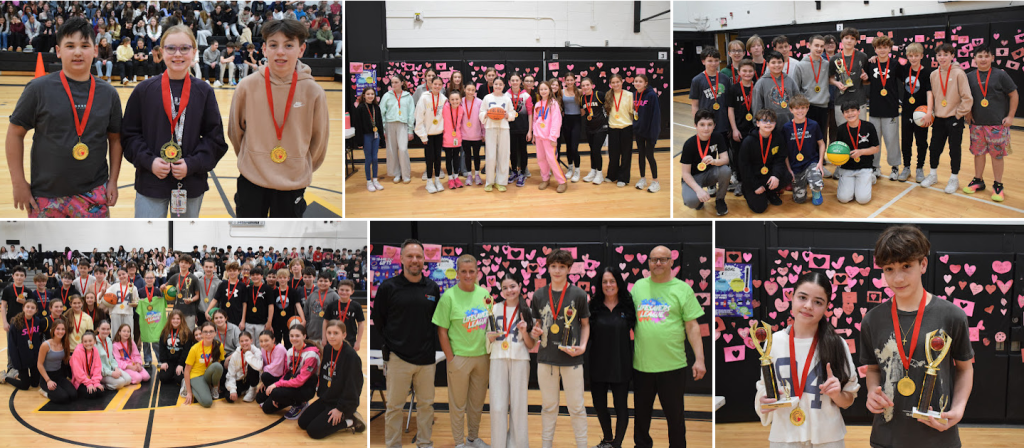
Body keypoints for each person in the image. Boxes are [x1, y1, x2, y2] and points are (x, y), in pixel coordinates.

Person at [861, 225, 974, 447]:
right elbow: (873, 369)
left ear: (923, 264)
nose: (898, 278)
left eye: (906, 266)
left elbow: (965, 368)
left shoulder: (952, 316)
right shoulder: (872, 320)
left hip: (938, 435)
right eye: (889, 269)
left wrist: (958, 410)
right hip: (887, 436)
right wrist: (871, 392)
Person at [7, 17, 122, 218]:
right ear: (58, 51)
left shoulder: (109, 94)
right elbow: (15, 134)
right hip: (45, 195)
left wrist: (113, 181)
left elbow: (115, 139)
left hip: (94, 193)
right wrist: (18, 183)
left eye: (84, 45)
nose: (77, 52)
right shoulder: (37, 89)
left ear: (95, 51)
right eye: (70, 46)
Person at [122, 25, 228, 218]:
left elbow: (215, 139)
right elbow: (129, 136)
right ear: (162, 51)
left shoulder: (204, 92)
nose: (177, 54)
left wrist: (192, 164)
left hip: (191, 182)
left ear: (194, 52)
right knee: (149, 240)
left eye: (184, 48)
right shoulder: (143, 90)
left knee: (185, 243)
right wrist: (150, 161)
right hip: (151, 181)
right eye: (171, 48)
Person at [228, 18, 329, 218]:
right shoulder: (246, 86)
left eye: (289, 45)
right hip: (252, 178)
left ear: (301, 50)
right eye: (273, 45)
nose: (280, 52)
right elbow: (235, 133)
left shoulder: (314, 91)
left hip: (293, 180)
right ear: (264, 49)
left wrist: (298, 162)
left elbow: (319, 142)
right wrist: (254, 157)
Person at [755, 272, 859, 446]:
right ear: (791, 297)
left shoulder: (837, 344)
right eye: (802, 297)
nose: (808, 306)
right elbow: (763, 392)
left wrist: (837, 394)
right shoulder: (774, 342)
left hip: (827, 437)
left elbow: (848, 399)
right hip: (785, 436)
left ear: (827, 307)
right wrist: (765, 401)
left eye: (818, 302)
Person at [631, 246, 705, 448]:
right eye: (654, 259)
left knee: (675, 419)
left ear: (671, 262)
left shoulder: (682, 289)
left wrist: (700, 359)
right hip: (642, 366)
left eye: (663, 259)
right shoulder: (637, 287)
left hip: (673, 367)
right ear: (648, 262)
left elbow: (692, 327)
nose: (658, 263)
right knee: (641, 418)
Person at [371, 239, 441, 448]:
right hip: (398, 358)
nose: (414, 260)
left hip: (427, 359)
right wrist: (395, 344)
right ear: (401, 259)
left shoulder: (432, 288)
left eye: (418, 256)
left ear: (424, 260)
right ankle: (393, 445)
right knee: (394, 407)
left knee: (427, 405)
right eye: (410, 256)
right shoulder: (388, 287)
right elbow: (380, 320)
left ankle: (424, 443)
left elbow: (436, 321)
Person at [525, 249, 591, 448]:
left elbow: (586, 324)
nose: (557, 271)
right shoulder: (538, 294)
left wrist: (583, 346)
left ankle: (582, 445)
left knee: (577, 408)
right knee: (548, 407)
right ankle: (546, 445)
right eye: (553, 266)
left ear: (569, 269)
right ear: (548, 267)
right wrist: (535, 332)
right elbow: (538, 325)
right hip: (546, 359)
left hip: (572, 359)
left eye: (562, 267)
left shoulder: (579, 294)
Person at [432, 255, 491, 448]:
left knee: (477, 402)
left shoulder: (485, 294)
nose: (468, 275)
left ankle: (473, 438)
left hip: (482, 357)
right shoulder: (449, 296)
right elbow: (442, 330)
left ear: (477, 272)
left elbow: (491, 325)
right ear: (457, 273)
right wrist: (451, 358)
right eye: (463, 271)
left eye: (471, 271)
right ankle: (459, 443)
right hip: (459, 358)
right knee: (458, 404)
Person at [588, 268, 636, 448]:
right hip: (597, 365)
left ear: (618, 283)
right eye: (604, 282)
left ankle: (617, 443)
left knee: (621, 407)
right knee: (599, 406)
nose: (608, 285)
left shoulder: (628, 307)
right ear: (600, 285)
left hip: (620, 365)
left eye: (612, 281)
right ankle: (607, 439)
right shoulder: (593, 307)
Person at [964, 44, 1019, 201]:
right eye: (980, 56)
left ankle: (998, 184)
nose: (983, 59)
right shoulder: (969, 76)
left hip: (997, 125)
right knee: (978, 154)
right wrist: (967, 111)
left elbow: (1014, 94)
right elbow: (966, 96)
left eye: (986, 56)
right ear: (974, 58)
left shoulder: (1000, 75)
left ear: (993, 58)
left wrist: (1010, 116)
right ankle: (978, 180)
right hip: (977, 124)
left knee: (997, 156)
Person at [485, 275, 533, 448]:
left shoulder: (527, 310)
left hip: (520, 359)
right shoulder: (494, 308)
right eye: (505, 288)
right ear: (501, 290)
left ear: (520, 286)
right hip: (498, 358)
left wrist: (525, 331)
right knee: (497, 406)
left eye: (512, 286)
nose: (509, 291)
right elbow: (487, 339)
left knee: (519, 406)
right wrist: (490, 338)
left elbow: (530, 344)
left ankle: (518, 444)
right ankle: (498, 444)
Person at [300, 320, 365, 438]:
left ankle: (350, 421)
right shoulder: (329, 349)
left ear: (344, 335)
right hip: (328, 398)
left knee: (314, 431)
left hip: (343, 403)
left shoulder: (351, 356)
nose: (331, 336)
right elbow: (325, 376)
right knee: (302, 422)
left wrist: (340, 409)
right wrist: (321, 395)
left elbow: (353, 386)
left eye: (336, 333)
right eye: (329, 333)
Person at [864, 36, 904, 181]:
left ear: (889, 49)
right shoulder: (871, 63)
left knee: (892, 139)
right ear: (875, 49)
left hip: (891, 108)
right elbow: (866, 80)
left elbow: (905, 78)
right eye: (879, 47)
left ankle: (894, 167)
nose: (882, 50)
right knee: (875, 140)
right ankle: (875, 167)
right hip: (874, 108)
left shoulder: (895, 64)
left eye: (885, 47)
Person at [261, 325, 321, 419]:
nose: (294, 338)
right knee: (267, 408)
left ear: (304, 336)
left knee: (275, 392)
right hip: (293, 384)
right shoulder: (290, 351)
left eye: (297, 336)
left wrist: (276, 385)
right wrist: (277, 386)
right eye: (291, 336)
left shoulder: (311, 355)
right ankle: (292, 401)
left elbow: (300, 381)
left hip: (305, 387)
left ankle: (301, 404)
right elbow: (286, 374)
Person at [739, 109, 790, 213]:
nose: (768, 124)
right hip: (753, 178)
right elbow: (744, 167)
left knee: (787, 176)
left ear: (775, 123)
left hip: (768, 175)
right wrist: (755, 185)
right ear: (757, 123)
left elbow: (780, 159)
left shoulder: (778, 137)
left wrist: (775, 175)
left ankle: (771, 192)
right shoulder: (748, 141)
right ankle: (747, 190)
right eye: (764, 121)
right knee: (759, 208)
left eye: (771, 121)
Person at [680, 109, 731, 215]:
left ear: (714, 125)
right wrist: (699, 190)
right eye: (702, 124)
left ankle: (720, 199)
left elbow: (725, 159)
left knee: (726, 170)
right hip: (693, 178)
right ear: (695, 125)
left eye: (709, 124)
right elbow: (685, 173)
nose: (706, 128)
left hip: (710, 174)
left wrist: (714, 161)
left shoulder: (717, 137)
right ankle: (698, 201)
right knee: (691, 202)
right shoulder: (689, 144)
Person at [835, 99, 880, 205]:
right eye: (847, 112)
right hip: (847, 167)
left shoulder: (869, 127)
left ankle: (870, 177)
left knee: (863, 200)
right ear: (843, 114)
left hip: (864, 167)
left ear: (859, 111)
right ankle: (854, 182)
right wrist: (836, 159)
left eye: (853, 110)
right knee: (843, 199)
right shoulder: (841, 129)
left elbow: (876, 148)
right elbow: (838, 150)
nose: (850, 114)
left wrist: (861, 152)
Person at [783, 95, 826, 206]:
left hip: (811, 163)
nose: (800, 111)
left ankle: (816, 191)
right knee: (799, 200)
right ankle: (805, 181)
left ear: (807, 108)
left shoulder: (813, 125)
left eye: (803, 108)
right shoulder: (786, 128)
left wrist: (820, 162)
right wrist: (789, 169)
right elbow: (785, 151)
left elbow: (821, 144)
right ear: (791, 110)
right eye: (797, 108)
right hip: (795, 166)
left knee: (817, 184)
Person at [829, 27, 870, 144]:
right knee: (842, 131)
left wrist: (866, 77)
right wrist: (837, 83)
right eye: (846, 38)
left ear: (856, 41)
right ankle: (843, 159)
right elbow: (830, 78)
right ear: (841, 40)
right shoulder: (835, 58)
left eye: (852, 38)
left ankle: (860, 158)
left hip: (859, 99)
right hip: (840, 99)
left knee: (861, 131)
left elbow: (867, 80)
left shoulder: (862, 56)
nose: (849, 41)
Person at [901, 43, 934, 184]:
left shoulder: (927, 73)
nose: (913, 58)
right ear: (907, 56)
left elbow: (930, 93)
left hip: (922, 114)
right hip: (907, 113)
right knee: (906, 141)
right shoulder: (904, 70)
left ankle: (919, 168)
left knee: (921, 142)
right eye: (910, 56)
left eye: (916, 55)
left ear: (922, 56)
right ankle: (906, 167)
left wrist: (929, 112)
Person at [792, 35, 831, 148]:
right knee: (807, 134)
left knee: (822, 134)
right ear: (809, 46)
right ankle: (809, 159)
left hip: (823, 105)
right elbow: (796, 87)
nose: (819, 49)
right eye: (816, 45)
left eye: (822, 46)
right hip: (807, 106)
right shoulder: (800, 65)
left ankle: (820, 159)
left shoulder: (827, 64)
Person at [690, 48, 732, 147]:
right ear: (703, 61)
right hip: (706, 125)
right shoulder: (697, 80)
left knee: (724, 153)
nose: (713, 63)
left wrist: (730, 125)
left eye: (716, 60)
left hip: (723, 123)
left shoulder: (725, 79)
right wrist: (698, 123)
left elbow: (729, 104)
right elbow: (695, 105)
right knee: (707, 154)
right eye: (710, 60)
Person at [480, 76, 516, 192]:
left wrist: (507, 116)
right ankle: (489, 182)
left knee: (504, 155)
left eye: (500, 84)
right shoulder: (487, 98)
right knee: (490, 156)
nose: (498, 86)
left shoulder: (507, 99)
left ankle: (501, 181)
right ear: (493, 85)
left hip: (504, 128)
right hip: (490, 128)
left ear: (504, 86)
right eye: (496, 84)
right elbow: (481, 112)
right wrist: (486, 114)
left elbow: (512, 113)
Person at [381, 74, 416, 184]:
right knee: (391, 150)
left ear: (402, 83)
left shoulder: (408, 96)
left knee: (403, 149)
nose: (394, 84)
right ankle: (396, 173)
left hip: (403, 125)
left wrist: (410, 130)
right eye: (392, 82)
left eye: (396, 82)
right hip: (389, 124)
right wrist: (383, 129)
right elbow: (382, 112)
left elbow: (411, 114)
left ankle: (406, 174)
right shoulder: (387, 96)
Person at [1, 299, 43, 389]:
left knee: (35, 384)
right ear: (23, 308)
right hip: (21, 357)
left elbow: (39, 338)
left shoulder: (37, 321)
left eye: (32, 308)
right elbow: (12, 344)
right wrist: (15, 361)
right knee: (25, 386)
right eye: (27, 307)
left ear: (36, 310)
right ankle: (5, 377)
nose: (30, 309)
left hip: (34, 356)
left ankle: (20, 376)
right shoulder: (16, 322)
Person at [184, 321, 226, 408]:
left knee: (218, 366)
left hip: (208, 375)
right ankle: (191, 386)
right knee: (207, 402)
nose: (208, 334)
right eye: (205, 332)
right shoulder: (194, 348)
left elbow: (218, 367)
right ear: (202, 334)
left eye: (211, 331)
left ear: (215, 333)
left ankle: (212, 388)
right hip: (196, 376)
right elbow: (187, 371)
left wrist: (216, 386)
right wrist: (189, 392)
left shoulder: (219, 345)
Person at [533, 79, 565, 193]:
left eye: (545, 89)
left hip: (549, 138)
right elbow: (535, 120)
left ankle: (562, 181)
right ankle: (545, 179)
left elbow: (557, 121)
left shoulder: (553, 103)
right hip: (539, 137)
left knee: (552, 160)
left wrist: (553, 137)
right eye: (541, 89)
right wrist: (534, 134)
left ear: (549, 90)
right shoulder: (537, 104)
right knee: (541, 159)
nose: (543, 91)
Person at [632, 75, 662, 193]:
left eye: (640, 81)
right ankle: (642, 178)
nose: (638, 83)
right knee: (641, 155)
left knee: (649, 155)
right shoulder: (634, 95)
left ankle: (655, 181)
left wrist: (653, 133)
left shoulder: (651, 95)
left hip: (649, 131)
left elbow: (655, 115)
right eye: (636, 81)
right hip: (639, 131)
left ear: (645, 83)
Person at [605, 74, 634, 187]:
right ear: (610, 84)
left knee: (626, 154)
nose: (615, 84)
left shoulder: (629, 95)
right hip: (613, 128)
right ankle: (612, 175)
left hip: (626, 127)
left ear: (622, 82)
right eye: (613, 82)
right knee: (613, 154)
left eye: (618, 82)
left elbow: (632, 112)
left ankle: (623, 178)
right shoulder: (608, 95)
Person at [753, 51, 797, 124]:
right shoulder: (761, 83)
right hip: (769, 124)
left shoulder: (790, 81)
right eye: (773, 62)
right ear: (768, 64)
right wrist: (757, 122)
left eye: (779, 62)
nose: (777, 65)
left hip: (789, 122)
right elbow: (757, 105)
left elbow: (797, 101)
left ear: (783, 64)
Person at [506, 73, 534, 187]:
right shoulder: (506, 95)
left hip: (523, 129)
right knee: (512, 151)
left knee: (523, 151)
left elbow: (530, 114)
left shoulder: (526, 96)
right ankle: (514, 172)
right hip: (510, 129)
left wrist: (530, 131)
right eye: (513, 80)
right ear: (509, 82)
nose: (515, 82)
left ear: (520, 82)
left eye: (517, 80)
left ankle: (522, 173)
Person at [354, 88, 384, 192]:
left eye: (372, 94)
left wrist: (382, 138)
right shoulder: (361, 108)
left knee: (375, 158)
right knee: (369, 159)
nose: (370, 96)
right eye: (368, 94)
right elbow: (358, 125)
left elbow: (380, 123)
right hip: (366, 136)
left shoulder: (376, 107)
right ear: (364, 95)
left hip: (375, 136)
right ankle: (369, 181)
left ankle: (375, 180)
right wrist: (360, 142)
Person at [580, 77, 609, 185]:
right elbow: (583, 112)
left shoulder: (599, 95)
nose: (585, 87)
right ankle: (593, 170)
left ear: (592, 85)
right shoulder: (582, 98)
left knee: (596, 150)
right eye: (583, 85)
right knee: (592, 150)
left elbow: (608, 105)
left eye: (587, 85)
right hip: (589, 127)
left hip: (601, 127)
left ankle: (600, 173)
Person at [323, 280, 363, 351]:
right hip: (333, 338)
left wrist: (358, 342)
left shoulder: (356, 306)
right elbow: (325, 321)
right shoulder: (332, 305)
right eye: (342, 290)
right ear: (338, 290)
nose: (344, 292)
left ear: (352, 292)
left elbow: (361, 324)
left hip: (350, 339)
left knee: (348, 361)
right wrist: (324, 338)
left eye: (347, 290)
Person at [137, 271, 167, 367]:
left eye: (151, 278)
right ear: (144, 279)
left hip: (155, 320)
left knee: (156, 341)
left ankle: (159, 359)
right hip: (145, 320)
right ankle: (147, 360)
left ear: (154, 279)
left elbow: (163, 303)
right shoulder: (140, 291)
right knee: (145, 341)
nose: (149, 280)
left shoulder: (158, 291)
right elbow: (137, 304)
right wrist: (139, 301)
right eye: (147, 278)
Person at [225, 330, 263, 403]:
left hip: (251, 379)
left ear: (251, 340)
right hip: (240, 380)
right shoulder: (235, 355)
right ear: (239, 342)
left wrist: (248, 354)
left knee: (252, 366)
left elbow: (259, 367)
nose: (244, 343)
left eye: (246, 340)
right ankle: (244, 390)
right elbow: (231, 374)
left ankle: (252, 389)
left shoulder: (257, 352)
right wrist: (233, 390)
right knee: (229, 397)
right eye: (242, 341)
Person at [559, 72, 583, 182]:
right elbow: (559, 104)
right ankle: (570, 168)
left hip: (577, 120)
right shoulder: (562, 92)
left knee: (574, 147)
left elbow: (585, 103)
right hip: (566, 120)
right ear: (564, 81)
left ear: (575, 81)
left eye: (571, 80)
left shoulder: (579, 92)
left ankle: (577, 170)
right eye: (567, 80)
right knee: (568, 146)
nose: (569, 82)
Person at [158, 310, 193, 385]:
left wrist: (181, 364)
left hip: (180, 361)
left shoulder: (187, 332)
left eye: (178, 319)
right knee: (163, 378)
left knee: (179, 379)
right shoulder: (165, 331)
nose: (175, 321)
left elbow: (186, 351)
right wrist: (163, 361)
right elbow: (162, 347)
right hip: (169, 361)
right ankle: (172, 372)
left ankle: (175, 372)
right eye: (173, 319)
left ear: (182, 320)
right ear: (170, 319)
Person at [94, 320, 131, 390]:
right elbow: (96, 365)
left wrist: (116, 368)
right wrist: (111, 373)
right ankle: (104, 384)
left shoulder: (108, 340)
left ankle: (112, 381)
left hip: (111, 368)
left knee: (128, 379)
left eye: (108, 329)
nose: (106, 331)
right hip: (101, 372)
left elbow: (111, 358)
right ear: (98, 329)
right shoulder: (94, 342)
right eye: (103, 329)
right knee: (120, 382)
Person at [441, 89, 466, 190]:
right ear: (449, 100)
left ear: (460, 99)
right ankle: (450, 178)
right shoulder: (445, 108)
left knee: (456, 158)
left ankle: (456, 177)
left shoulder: (461, 109)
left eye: (457, 99)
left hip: (457, 138)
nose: (455, 101)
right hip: (447, 138)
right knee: (448, 158)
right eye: (452, 99)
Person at [102, 267, 139, 336]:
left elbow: (137, 301)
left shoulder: (133, 287)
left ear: (127, 274)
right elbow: (105, 298)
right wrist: (102, 292)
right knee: (115, 334)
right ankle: (115, 347)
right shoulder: (114, 287)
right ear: (117, 276)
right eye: (119, 275)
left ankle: (128, 347)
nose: (121, 276)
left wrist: (134, 303)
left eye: (123, 274)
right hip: (115, 313)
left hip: (128, 313)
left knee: (128, 334)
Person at [69, 330, 105, 400]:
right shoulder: (78, 351)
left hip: (91, 379)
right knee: (91, 394)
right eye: (85, 341)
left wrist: (96, 382)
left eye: (90, 341)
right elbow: (78, 372)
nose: (88, 343)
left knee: (100, 392)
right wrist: (88, 383)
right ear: (82, 342)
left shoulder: (95, 350)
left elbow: (97, 367)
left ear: (94, 341)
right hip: (80, 381)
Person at [461, 83, 485, 186]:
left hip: (477, 134)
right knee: (467, 155)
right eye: (468, 89)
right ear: (464, 89)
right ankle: (469, 175)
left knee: (476, 155)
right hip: (464, 135)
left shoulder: (479, 102)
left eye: (472, 90)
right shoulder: (460, 101)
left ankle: (477, 175)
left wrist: (483, 132)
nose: (470, 92)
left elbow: (482, 119)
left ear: (475, 91)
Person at [256, 330, 288, 405]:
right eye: (261, 341)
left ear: (273, 340)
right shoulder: (263, 349)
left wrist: (262, 372)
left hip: (281, 378)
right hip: (271, 377)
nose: (263, 343)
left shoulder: (280, 348)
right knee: (258, 399)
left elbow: (276, 369)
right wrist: (263, 382)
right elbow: (264, 366)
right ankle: (270, 393)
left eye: (266, 340)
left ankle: (274, 394)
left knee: (265, 375)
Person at [210, 262, 246, 326]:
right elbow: (215, 299)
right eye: (230, 271)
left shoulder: (242, 286)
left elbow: (244, 304)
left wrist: (243, 320)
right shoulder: (223, 284)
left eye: (234, 270)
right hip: (224, 316)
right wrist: (207, 311)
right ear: (227, 272)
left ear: (239, 271)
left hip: (238, 316)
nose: (232, 273)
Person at [305, 272, 337, 345]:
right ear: (317, 281)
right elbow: (306, 312)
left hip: (329, 335)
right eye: (321, 281)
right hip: (312, 333)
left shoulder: (334, 296)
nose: (323, 283)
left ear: (330, 283)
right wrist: (308, 325)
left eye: (326, 281)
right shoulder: (312, 295)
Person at [239, 267, 271, 337]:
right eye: (253, 275)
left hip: (262, 323)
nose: (255, 277)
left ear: (262, 276)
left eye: (257, 274)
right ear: (250, 276)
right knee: (250, 345)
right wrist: (243, 321)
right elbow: (245, 305)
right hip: (249, 322)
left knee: (261, 344)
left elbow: (271, 306)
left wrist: (269, 322)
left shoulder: (267, 288)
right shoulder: (248, 289)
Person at [197, 258, 221, 326]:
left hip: (213, 313)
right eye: (206, 267)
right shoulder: (198, 281)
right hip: (200, 313)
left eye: (211, 267)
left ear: (214, 268)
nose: (208, 269)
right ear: (203, 267)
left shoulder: (219, 283)